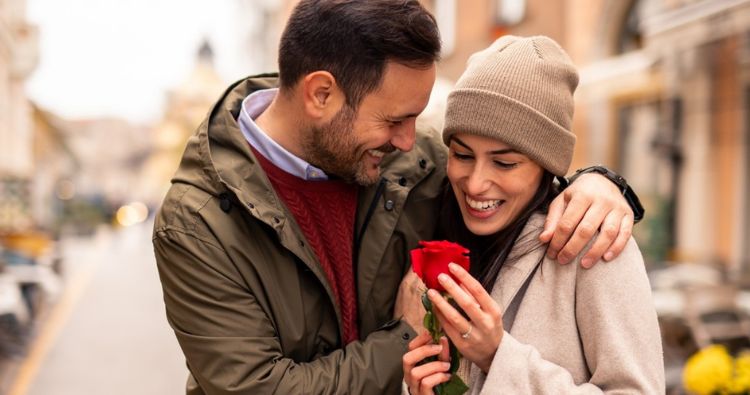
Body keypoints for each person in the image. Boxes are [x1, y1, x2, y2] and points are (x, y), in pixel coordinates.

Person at [153, 1, 640, 394]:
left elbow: (521, 166)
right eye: (394, 121)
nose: (412, 140)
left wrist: (600, 182)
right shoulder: (196, 222)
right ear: (321, 94)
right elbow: (255, 389)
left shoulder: (412, 163)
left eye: (418, 119)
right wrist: (405, 339)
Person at [401, 35, 664, 394]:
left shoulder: (595, 245)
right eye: (462, 155)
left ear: (546, 164)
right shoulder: (436, 222)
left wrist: (498, 358)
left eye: (504, 162)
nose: (476, 184)